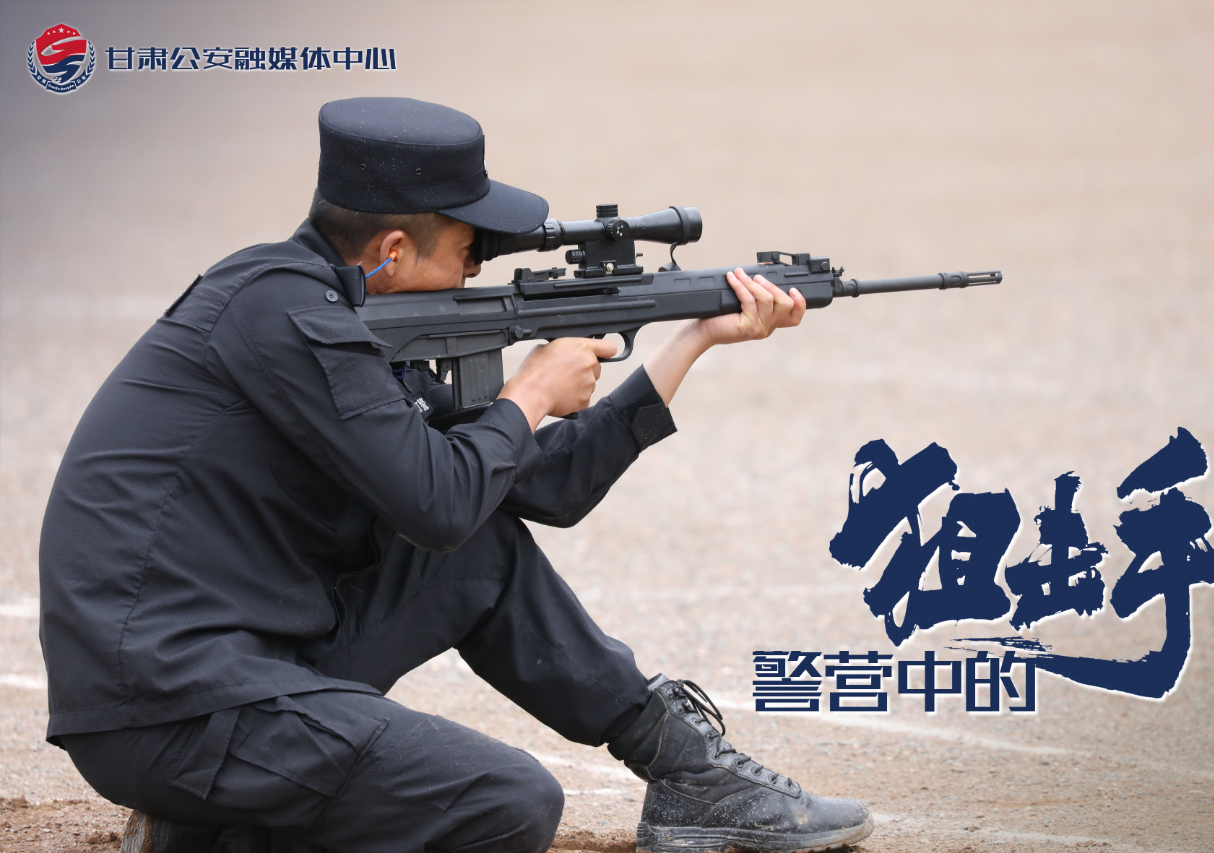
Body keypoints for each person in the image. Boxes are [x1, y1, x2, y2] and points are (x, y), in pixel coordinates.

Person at [39, 97, 873, 853]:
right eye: (471, 249)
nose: (479, 269)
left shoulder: (341, 314)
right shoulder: (285, 314)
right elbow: (438, 502)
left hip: (241, 668)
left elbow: (536, 486)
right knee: (503, 803)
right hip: (168, 701)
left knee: (480, 549)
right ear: (394, 250)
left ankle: (690, 772)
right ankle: (220, 831)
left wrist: (691, 340)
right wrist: (529, 393)